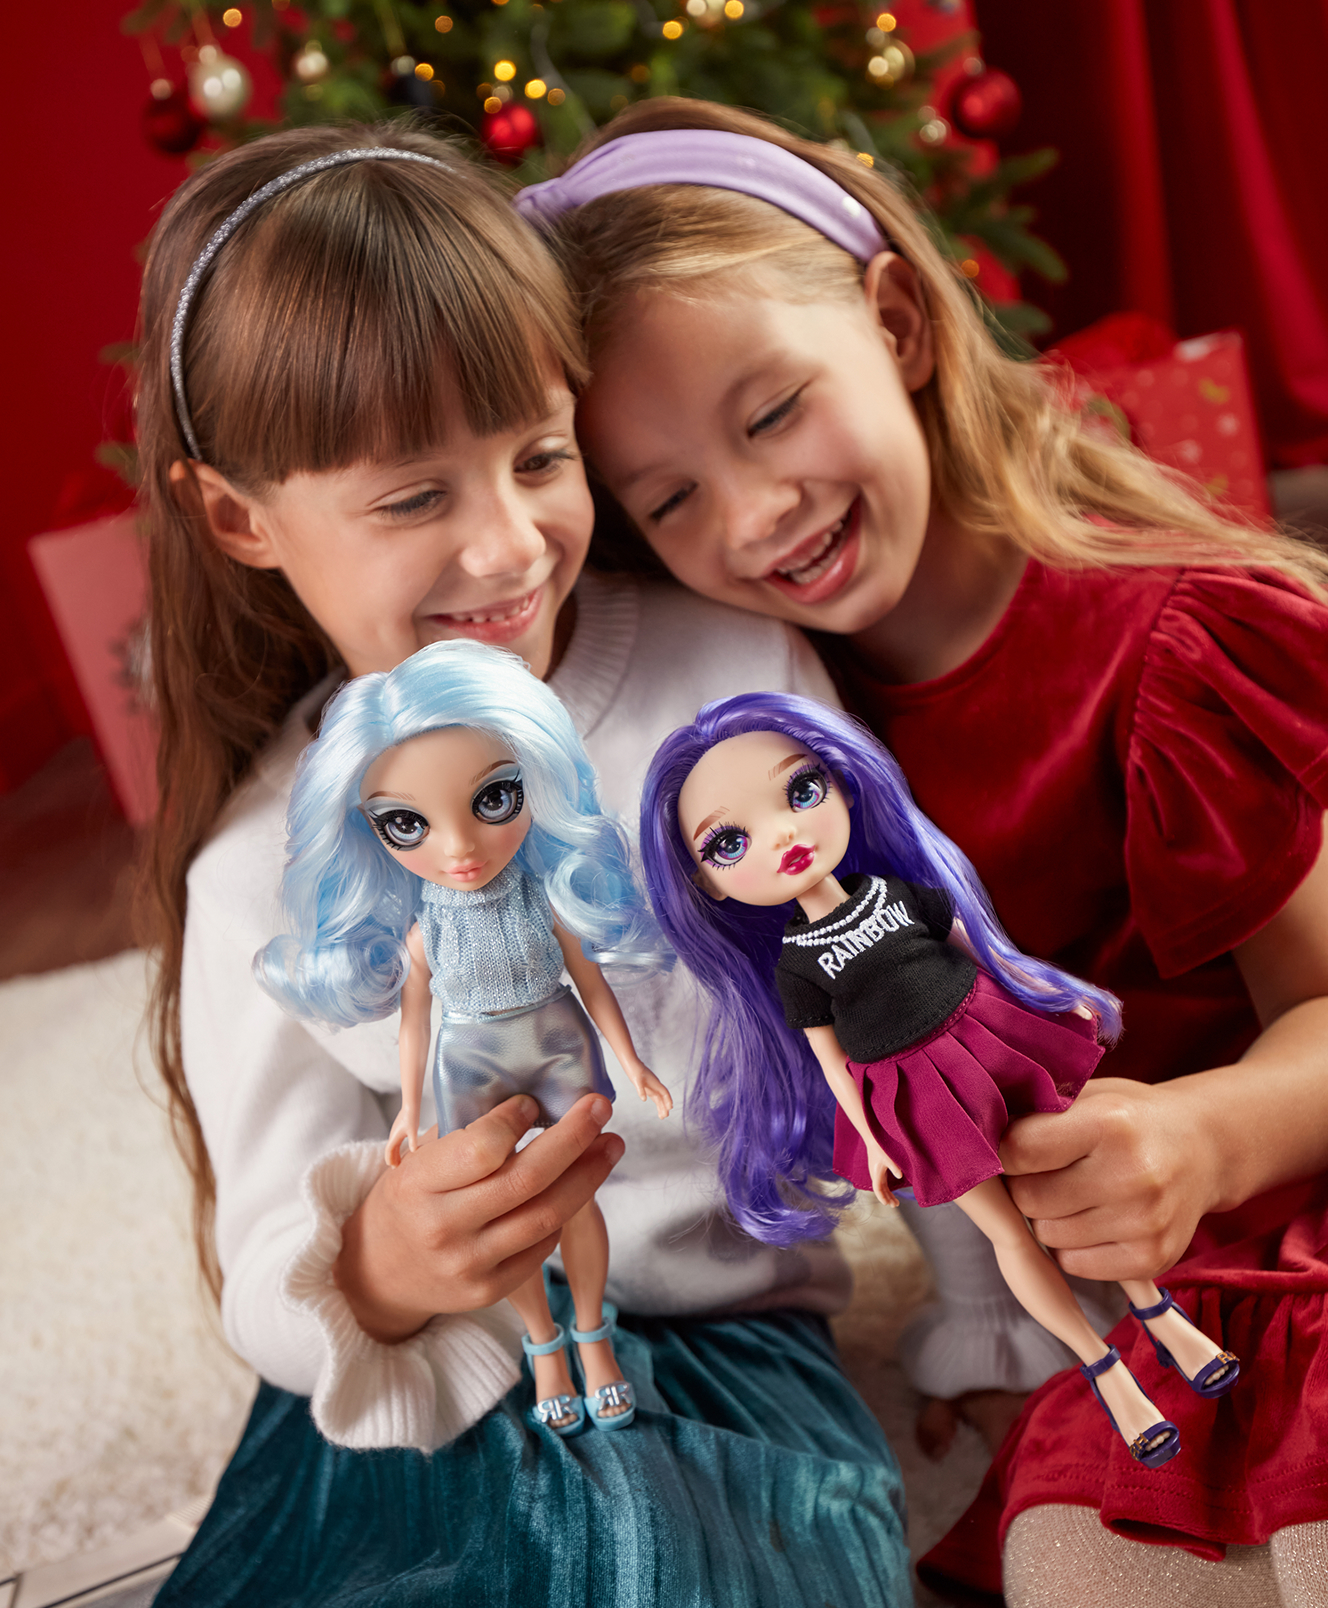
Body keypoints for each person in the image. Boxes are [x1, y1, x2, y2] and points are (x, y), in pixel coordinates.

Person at [520, 98, 1328, 1603]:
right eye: (670, 496)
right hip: (1125, 1278)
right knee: (1079, 1570)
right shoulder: (752, 748)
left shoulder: (1166, 648)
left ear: (895, 322)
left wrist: (1206, 1139)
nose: (757, 512)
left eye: (773, 413)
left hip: (1277, 1177)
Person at [135, 123, 911, 1606]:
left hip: (727, 1350)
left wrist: (987, 1325)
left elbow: (895, 995)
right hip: (434, 1375)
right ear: (239, 516)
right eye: (413, 497)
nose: (509, 548)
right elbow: (268, 1265)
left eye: (541, 458)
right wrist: (377, 1272)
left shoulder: (736, 686)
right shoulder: (252, 869)